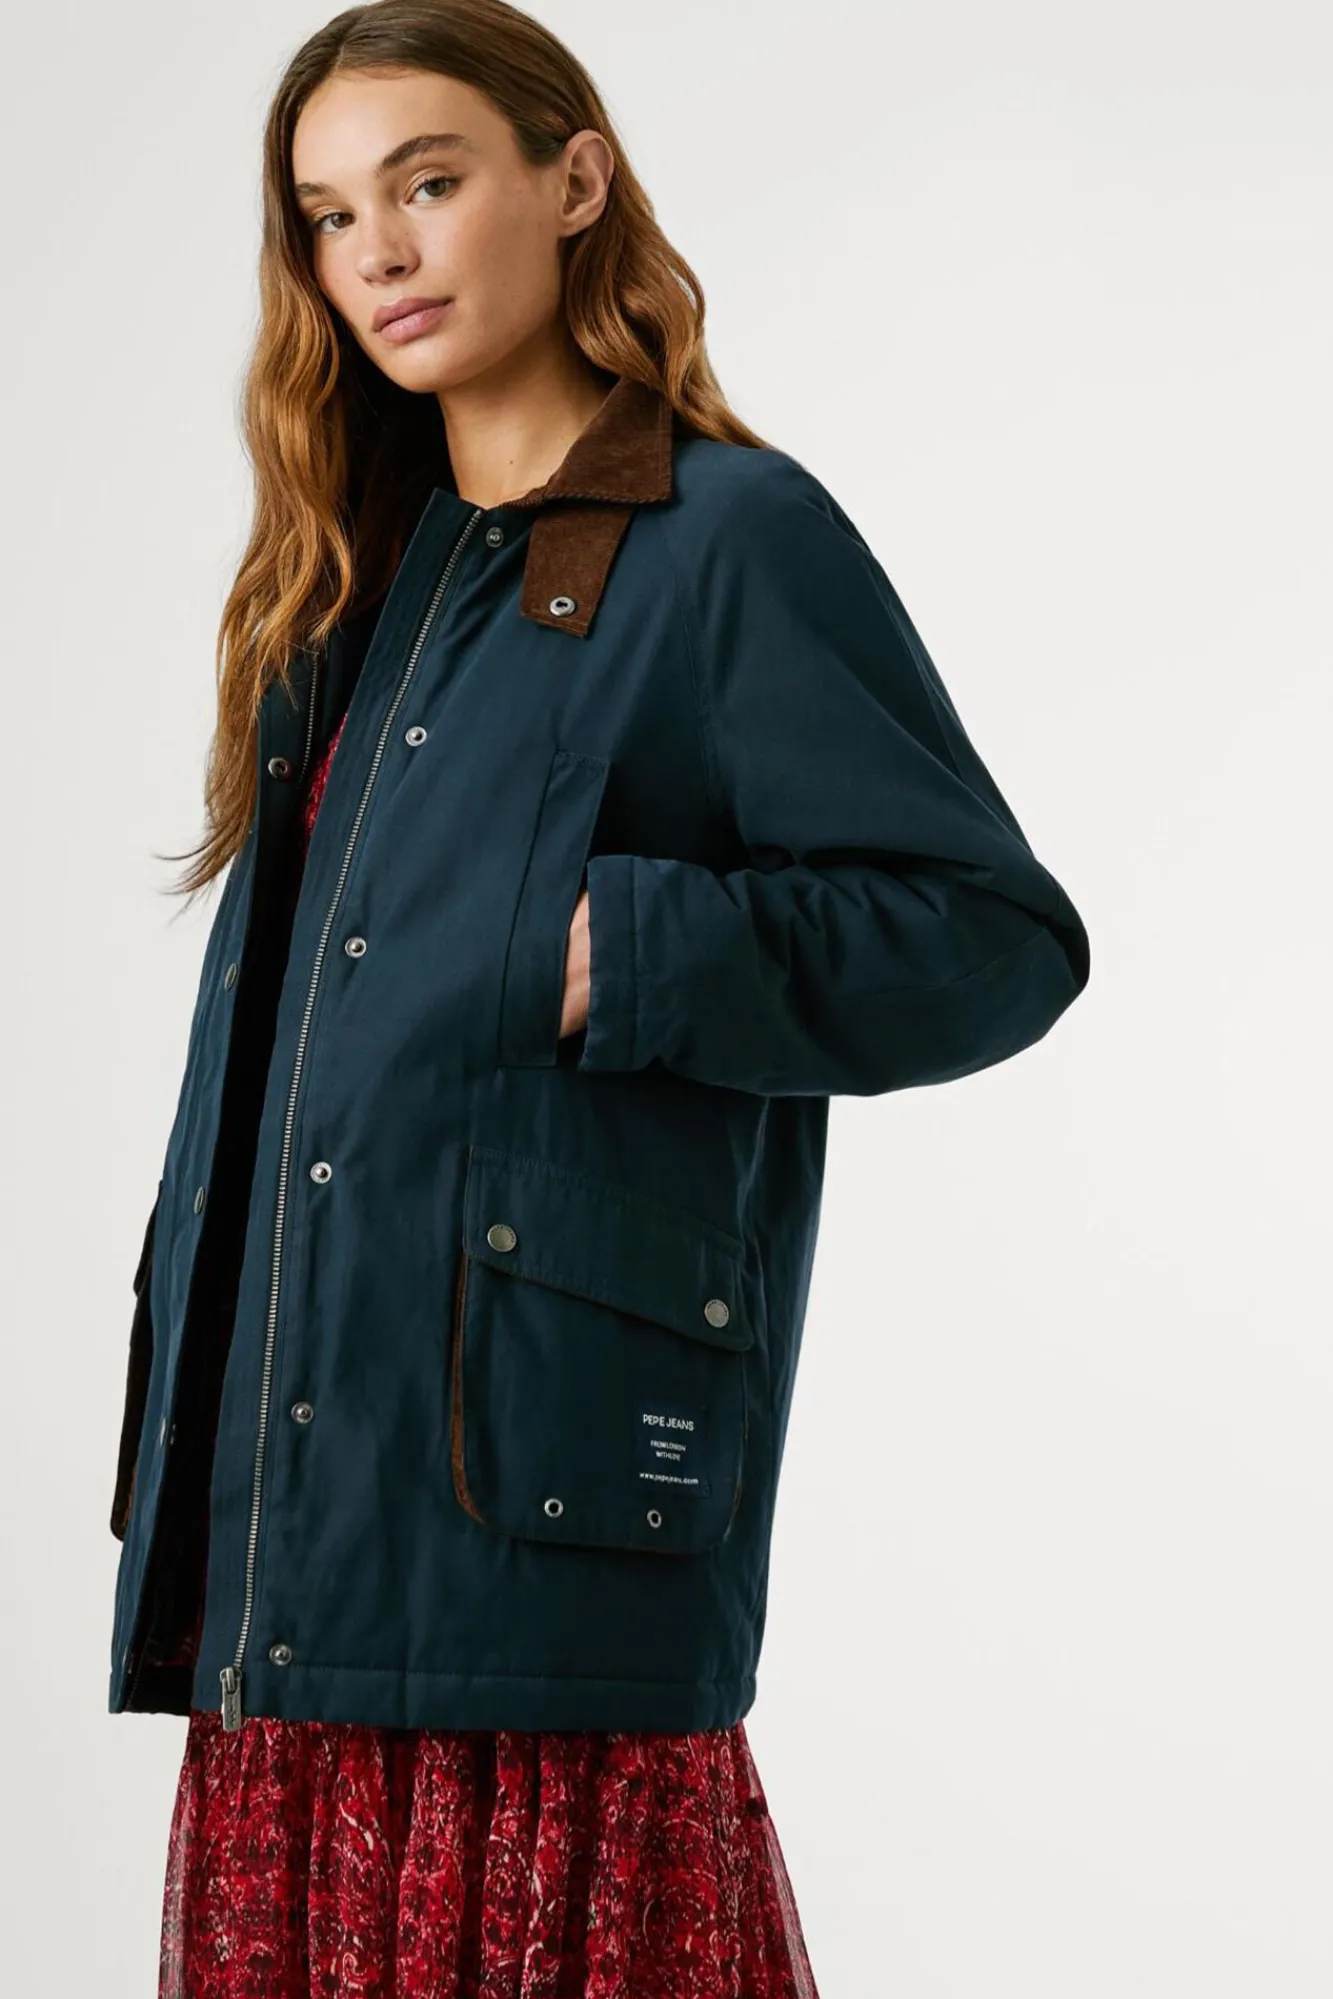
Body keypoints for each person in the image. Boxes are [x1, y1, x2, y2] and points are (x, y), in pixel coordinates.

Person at [106, 2, 1091, 1992]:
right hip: (287, 1574)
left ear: (574, 181)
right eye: (329, 215)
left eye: (429, 181)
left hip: (540, 1565)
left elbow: (994, 934)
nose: (379, 251)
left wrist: (633, 953)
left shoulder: (727, 539)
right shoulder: (343, 585)